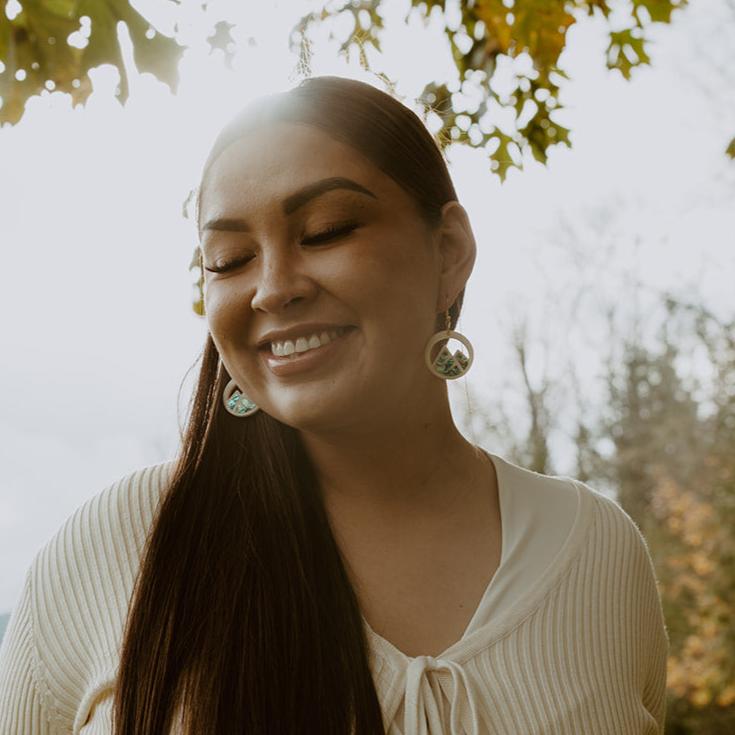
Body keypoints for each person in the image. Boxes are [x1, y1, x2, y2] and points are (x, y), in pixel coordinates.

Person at [0, 75, 669, 734]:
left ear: (450, 252)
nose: (271, 288)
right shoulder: (115, 547)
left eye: (326, 230)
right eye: (229, 259)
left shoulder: (599, 552)